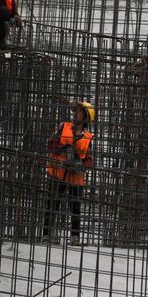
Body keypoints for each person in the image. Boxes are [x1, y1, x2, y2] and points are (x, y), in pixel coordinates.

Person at [42, 101, 95, 246]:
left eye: (79, 111)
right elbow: (50, 144)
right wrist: (64, 148)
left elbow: (89, 161)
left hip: (75, 177)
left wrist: (81, 164)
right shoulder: (63, 127)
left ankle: (75, 238)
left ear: (85, 117)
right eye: (75, 110)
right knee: (52, 203)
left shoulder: (88, 137)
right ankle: (47, 235)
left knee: (75, 206)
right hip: (58, 171)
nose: (75, 113)